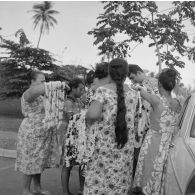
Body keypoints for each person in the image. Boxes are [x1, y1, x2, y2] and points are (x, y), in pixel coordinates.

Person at [83, 58, 139, 195]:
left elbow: (92, 115)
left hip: (104, 148)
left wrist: (87, 120)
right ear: (126, 74)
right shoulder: (134, 93)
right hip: (125, 148)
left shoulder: (103, 91)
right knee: (120, 182)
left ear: (110, 73)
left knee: (99, 182)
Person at [15, 70, 68, 195]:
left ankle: (37, 187)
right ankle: (26, 190)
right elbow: (36, 90)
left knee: (38, 162)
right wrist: (57, 84)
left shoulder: (41, 96)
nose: (45, 84)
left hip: (42, 133)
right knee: (29, 161)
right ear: (32, 82)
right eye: (42, 81)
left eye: (45, 81)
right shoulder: (28, 93)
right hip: (31, 133)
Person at [132, 68, 181, 195]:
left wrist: (136, 86)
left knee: (147, 171)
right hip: (167, 144)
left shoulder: (156, 100)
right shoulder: (177, 103)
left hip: (153, 142)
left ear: (159, 84)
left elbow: (138, 89)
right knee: (160, 171)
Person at [128, 64, 159, 177]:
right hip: (137, 125)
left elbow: (157, 103)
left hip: (149, 124)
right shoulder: (135, 85)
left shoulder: (154, 83)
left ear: (139, 73)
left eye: (132, 77)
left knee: (144, 155)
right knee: (136, 154)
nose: (132, 80)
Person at [61, 78, 85, 195]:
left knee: (81, 163)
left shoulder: (77, 101)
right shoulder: (68, 102)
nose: (82, 92)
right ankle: (66, 192)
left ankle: (82, 189)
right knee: (67, 165)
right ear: (73, 89)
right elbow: (72, 118)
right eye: (80, 89)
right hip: (69, 137)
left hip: (78, 136)